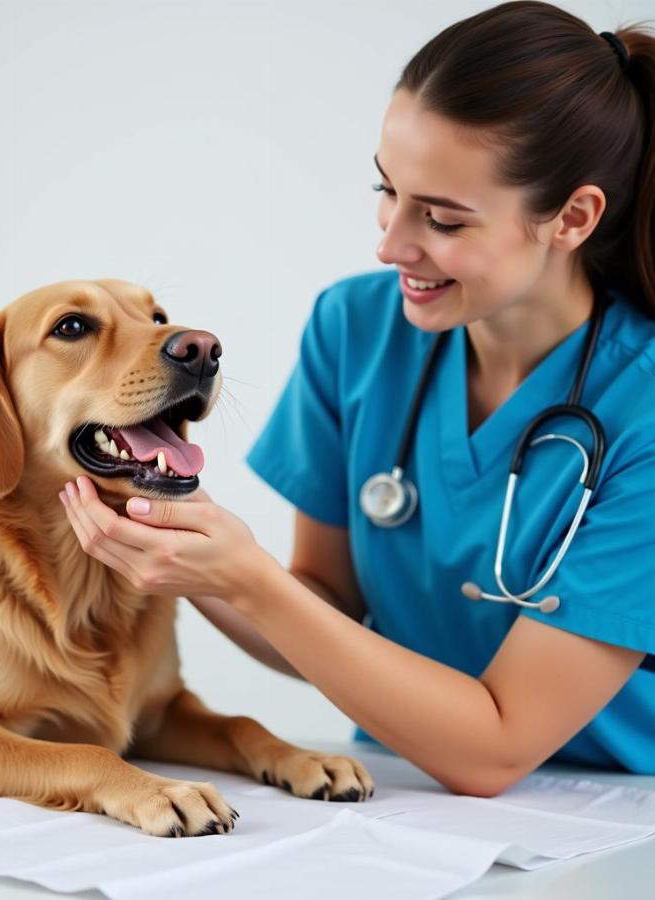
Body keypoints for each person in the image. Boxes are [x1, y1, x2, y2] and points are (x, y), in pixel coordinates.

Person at [58, 1, 655, 794]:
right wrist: (170, 549)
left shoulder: (642, 404)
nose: (390, 243)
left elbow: (498, 746)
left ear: (573, 218)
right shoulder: (356, 328)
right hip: (396, 785)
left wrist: (248, 579)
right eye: (387, 189)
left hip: (615, 813)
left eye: (442, 218)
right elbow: (322, 608)